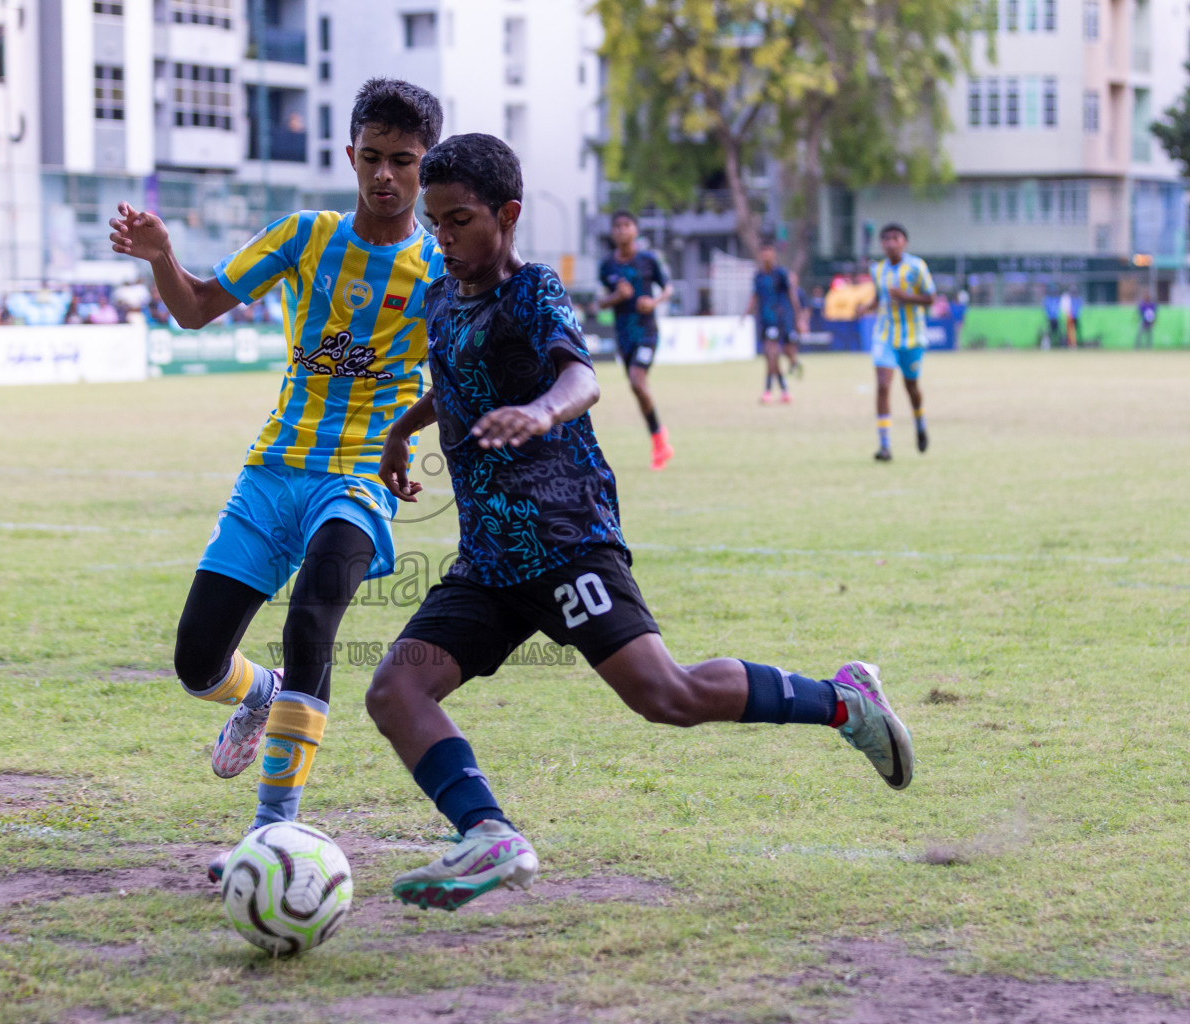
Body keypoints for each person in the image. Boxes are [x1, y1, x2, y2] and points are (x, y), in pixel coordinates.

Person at [367, 133, 915, 910]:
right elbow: (455, 377)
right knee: (395, 691)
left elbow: (580, 379)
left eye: (459, 220)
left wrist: (539, 411)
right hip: (489, 560)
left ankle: (844, 701)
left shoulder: (534, 291)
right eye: (435, 222)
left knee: (669, 696)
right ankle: (488, 835)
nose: (443, 238)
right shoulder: (443, 297)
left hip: (563, 538)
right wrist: (402, 429)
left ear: (508, 215)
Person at [107, 79, 447, 879]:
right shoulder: (303, 236)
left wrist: (405, 433)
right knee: (196, 663)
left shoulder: (438, 265)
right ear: (350, 156)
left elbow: (466, 375)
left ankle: (271, 830)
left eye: (404, 161)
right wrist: (163, 258)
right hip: (273, 471)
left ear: (425, 166)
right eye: (373, 158)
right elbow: (192, 309)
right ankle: (259, 696)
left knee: (313, 622)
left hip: (358, 479)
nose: (386, 176)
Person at [597, 211, 674, 470]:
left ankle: (659, 439)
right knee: (636, 387)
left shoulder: (649, 260)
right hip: (624, 335)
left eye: (627, 225)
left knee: (637, 380)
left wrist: (653, 302)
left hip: (647, 332)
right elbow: (600, 302)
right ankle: (658, 437)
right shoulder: (607, 266)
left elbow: (668, 288)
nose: (622, 230)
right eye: (617, 226)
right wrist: (616, 297)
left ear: (636, 230)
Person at [856, 224, 934, 462]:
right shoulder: (877, 270)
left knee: (911, 387)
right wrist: (865, 308)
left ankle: (919, 423)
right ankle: (885, 445)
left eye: (895, 238)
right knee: (882, 385)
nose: (890, 243)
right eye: (886, 239)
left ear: (904, 242)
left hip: (912, 337)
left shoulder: (917, 267)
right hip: (885, 335)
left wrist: (906, 297)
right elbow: (879, 298)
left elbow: (930, 298)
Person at [744, 241, 802, 404]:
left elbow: (792, 294)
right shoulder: (758, 276)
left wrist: (799, 317)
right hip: (766, 321)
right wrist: (745, 314)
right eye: (763, 253)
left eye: (768, 252)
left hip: (782, 319)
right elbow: (754, 296)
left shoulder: (781, 273)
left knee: (787, 353)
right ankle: (773, 391)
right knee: (771, 355)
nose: (766, 256)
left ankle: (792, 367)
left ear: (773, 254)